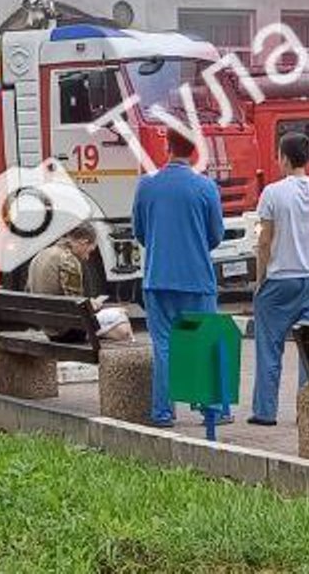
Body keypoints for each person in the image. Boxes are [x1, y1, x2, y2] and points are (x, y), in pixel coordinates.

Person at [133, 128, 226, 428]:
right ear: (195, 151)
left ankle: (162, 412)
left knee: (163, 344)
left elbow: (139, 232)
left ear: (167, 147)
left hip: (157, 278)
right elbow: (216, 235)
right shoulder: (206, 187)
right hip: (198, 278)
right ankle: (211, 408)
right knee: (204, 342)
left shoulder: (146, 185)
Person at [249, 132, 309, 426]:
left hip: (279, 280)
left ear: (284, 158)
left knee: (268, 348)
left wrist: (259, 279)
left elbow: (265, 240)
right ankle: (306, 412)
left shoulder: (273, 193)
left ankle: (265, 412)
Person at [26, 223, 132, 342]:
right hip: (66, 331)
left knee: (118, 327)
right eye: (90, 251)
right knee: (121, 317)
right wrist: (95, 304)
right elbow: (77, 307)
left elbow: (30, 290)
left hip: (48, 327)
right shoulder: (68, 260)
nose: (87, 257)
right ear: (83, 242)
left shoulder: (41, 255)